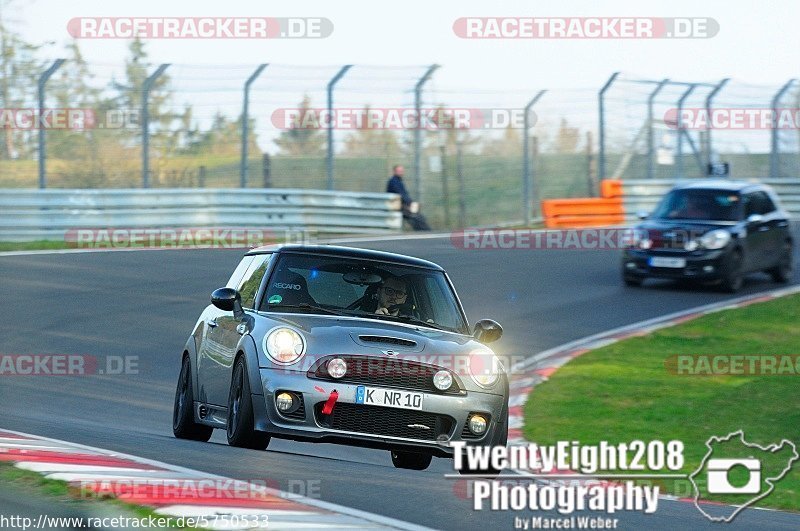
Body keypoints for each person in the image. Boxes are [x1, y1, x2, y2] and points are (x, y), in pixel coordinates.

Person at [386, 165, 431, 231]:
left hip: (401, 205)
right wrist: (410, 204)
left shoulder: (398, 181)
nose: (401, 172)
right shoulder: (394, 181)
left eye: (402, 171)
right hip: (397, 206)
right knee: (415, 215)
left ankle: (425, 230)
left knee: (418, 215)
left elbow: (404, 195)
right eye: (399, 171)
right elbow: (401, 195)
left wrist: (410, 203)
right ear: (394, 172)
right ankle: (424, 231)